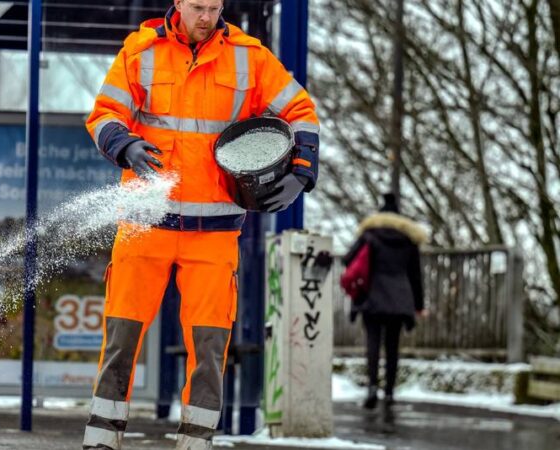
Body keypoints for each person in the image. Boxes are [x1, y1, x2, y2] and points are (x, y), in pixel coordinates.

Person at [82, 0, 320, 448]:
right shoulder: (140, 51)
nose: (205, 17)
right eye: (196, 7)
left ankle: (196, 441)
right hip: (144, 224)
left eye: (213, 7)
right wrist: (125, 145)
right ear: (178, 3)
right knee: (121, 339)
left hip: (213, 235)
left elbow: (302, 112)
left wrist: (302, 171)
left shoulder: (251, 58)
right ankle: (101, 439)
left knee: (209, 349)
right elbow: (103, 114)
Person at [342, 193, 427, 411]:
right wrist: (418, 304)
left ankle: (372, 386)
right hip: (400, 298)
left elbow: (348, 259)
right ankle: (389, 392)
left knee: (372, 342)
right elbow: (415, 275)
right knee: (392, 346)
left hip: (372, 295)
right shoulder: (408, 239)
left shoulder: (370, 234)